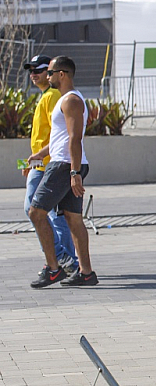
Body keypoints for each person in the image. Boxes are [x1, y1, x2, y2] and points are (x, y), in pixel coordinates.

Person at [28, 56, 98, 288]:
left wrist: (75, 172)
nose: (47, 76)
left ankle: (53, 269)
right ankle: (86, 273)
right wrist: (41, 152)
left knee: (36, 212)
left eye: (50, 72)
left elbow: (75, 138)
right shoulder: (63, 101)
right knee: (73, 218)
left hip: (65, 165)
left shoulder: (71, 101)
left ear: (63, 74)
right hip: (64, 162)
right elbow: (61, 136)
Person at [21, 54, 78, 275]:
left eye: (40, 70)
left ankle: (60, 256)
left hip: (49, 164)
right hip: (44, 162)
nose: (33, 74)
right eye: (31, 70)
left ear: (54, 73)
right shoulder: (47, 95)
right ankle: (68, 260)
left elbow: (62, 133)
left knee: (34, 209)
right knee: (56, 214)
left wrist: (42, 158)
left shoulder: (54, 95)